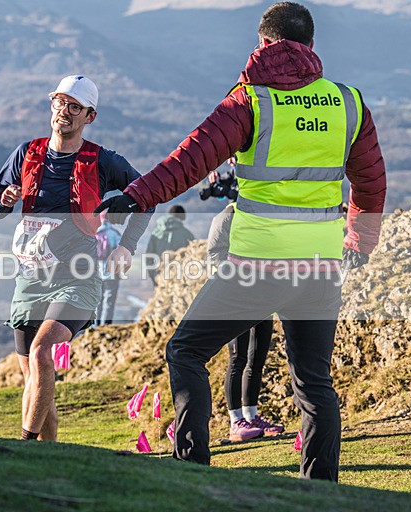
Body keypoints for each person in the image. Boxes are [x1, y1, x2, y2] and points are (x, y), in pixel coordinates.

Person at [96, 2, 386, 481]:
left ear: (264, 44)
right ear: (312, 48)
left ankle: (192, 469)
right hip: (320, 266)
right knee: (314, 383)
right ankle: (322, 492)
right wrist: (359, 242)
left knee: (185, 352)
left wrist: (136, 196)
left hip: (257, 263)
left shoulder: (251, 100)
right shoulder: (349, 102)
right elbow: (371, 184)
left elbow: (189, 160)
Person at [0, 75, 152, 442]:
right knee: (34, 378)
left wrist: (127, 245)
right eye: (59, 103)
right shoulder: (26, 153)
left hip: (78, 276)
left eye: (74, 107)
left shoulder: (104, 160)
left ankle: (24, 447)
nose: (64, 112)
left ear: (89, 116)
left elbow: (147, 196)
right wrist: (5, 199)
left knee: (43, 352)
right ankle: (50, 456)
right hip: (30, 277)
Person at [207, 203, 284, 442]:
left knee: (257, 358)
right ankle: (235, 422)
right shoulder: (228, 214)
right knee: (238, 358)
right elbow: (216, 253)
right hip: (236, 297)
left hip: (264, 295)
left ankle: (252, 417)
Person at [144, 205, 196, 285]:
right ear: (182, 218)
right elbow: (195, 256)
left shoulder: (156, 234)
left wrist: (154, 277)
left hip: (160, 276)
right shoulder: (187, 234)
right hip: (180, 278)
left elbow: (149, 257)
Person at [94, 211, 123, 326]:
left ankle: (95, 325)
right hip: (111, 272)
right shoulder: (115, 234)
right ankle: (105, 326)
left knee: (97, 301)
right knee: (109, 301)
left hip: (95, 273)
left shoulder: (93, 233)